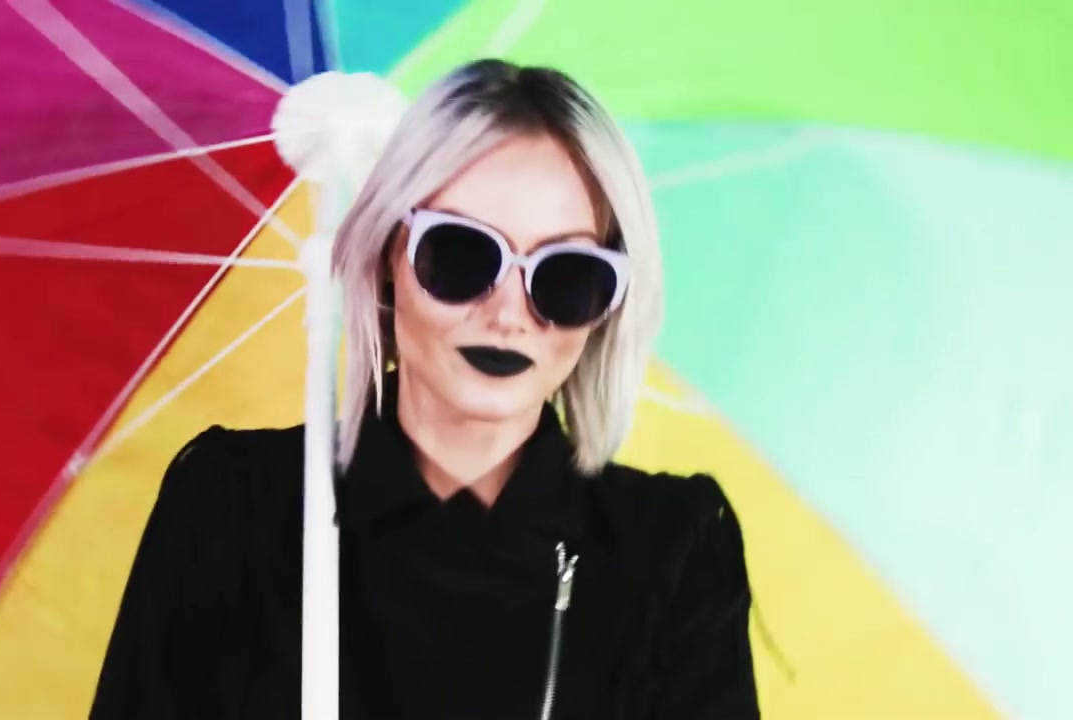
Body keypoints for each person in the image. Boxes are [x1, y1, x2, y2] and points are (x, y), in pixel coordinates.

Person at [90, 58, 759, 719]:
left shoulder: (673, 552)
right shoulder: (235, 512)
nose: (508, 313)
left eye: (566, 275)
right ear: (388, 255)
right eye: (462, 254)